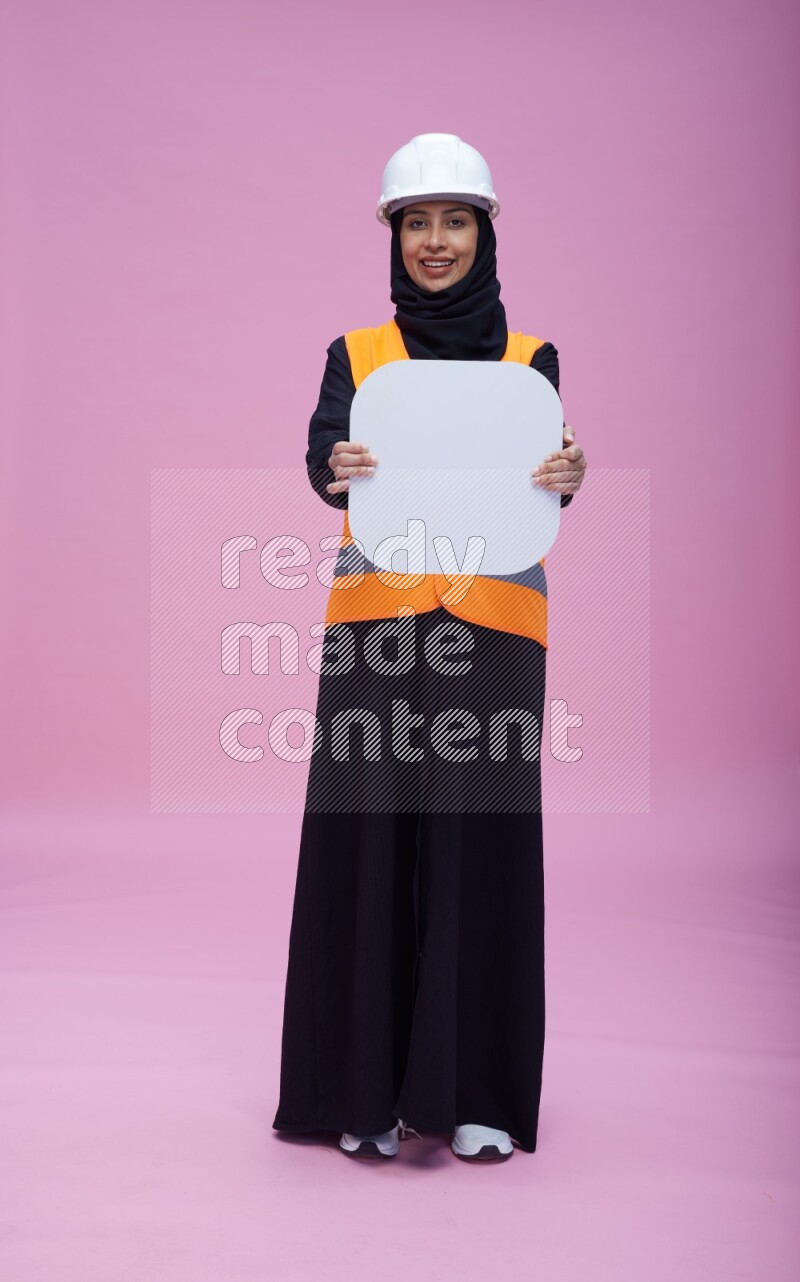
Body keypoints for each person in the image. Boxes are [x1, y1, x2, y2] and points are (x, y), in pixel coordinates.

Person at [272, 134, 587, 1163]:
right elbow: (325, 458)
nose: (435, 241)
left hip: (494, 625)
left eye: (454, 221)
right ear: (394, 237)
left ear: (482, 232)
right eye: (417, 223)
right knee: (365, 845)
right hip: (377, 621)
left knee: (478, 848)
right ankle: (359, 1092)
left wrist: (566, 470)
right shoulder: (355, 354)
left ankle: (475, 1093)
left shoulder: (529, 357)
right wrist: (336, 461)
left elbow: (544, 472)